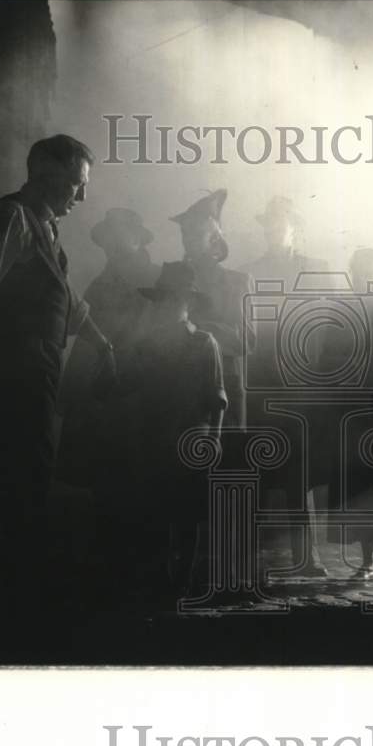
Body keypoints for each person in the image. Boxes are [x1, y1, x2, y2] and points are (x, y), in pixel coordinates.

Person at [0, 134, 116, 614]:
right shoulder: (10, 216)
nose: (81, 197)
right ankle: (8, 597)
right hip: (13, 373)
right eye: (76, 185)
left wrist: (100, 340)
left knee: (30, 472)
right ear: (44, 172)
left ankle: (14, 587)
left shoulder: (47, 230)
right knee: (15, 475)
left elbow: (67, 302)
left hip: (37, 371)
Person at [94, 261, 227, 605]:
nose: (168, 305)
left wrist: (214, 440)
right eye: (163, 299)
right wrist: (106, 363)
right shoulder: (148, 345)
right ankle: (162, 576)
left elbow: (216, 397)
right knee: (156, 510)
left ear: (188, 303)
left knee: (187, 513)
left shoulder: (204, 343)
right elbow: (124, 386)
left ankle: (182, 580)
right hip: (154, 436)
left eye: (176, 299)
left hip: (191, 437)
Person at [241, 196, 331, 578]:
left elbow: (329, 327)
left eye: (280, 224)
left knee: (300, 472)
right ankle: (248, 557)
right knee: (259, 466)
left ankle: (307, 556)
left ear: (295, 227)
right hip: (262, 383)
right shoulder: (251, 271)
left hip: (302, 386)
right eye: (268, 225)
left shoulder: (317, 270)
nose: (273, 231)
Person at [56, 207, 160, 487]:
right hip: (102, 396)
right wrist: (71, 394)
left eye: (118, 235)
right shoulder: (98, 287)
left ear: (138, 239)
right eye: (107, 239)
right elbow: (85, 345)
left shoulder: (157, 280)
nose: (111, 244)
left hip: (144, 393)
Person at [318, 247, 373, 584]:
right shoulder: (342, 309)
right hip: (354, 408)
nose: (369, 276)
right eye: (363, 270)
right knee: (360, 484)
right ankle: (368, 559)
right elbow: (328, 358)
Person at [170, 189, 254, 431]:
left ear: (215, 239)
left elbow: (246, 341)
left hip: (223, 392)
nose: (188, 240)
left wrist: (198, 330)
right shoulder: (171, 279)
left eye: (196, 234)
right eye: (185, 233)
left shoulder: (237, 282)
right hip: (177, 389)